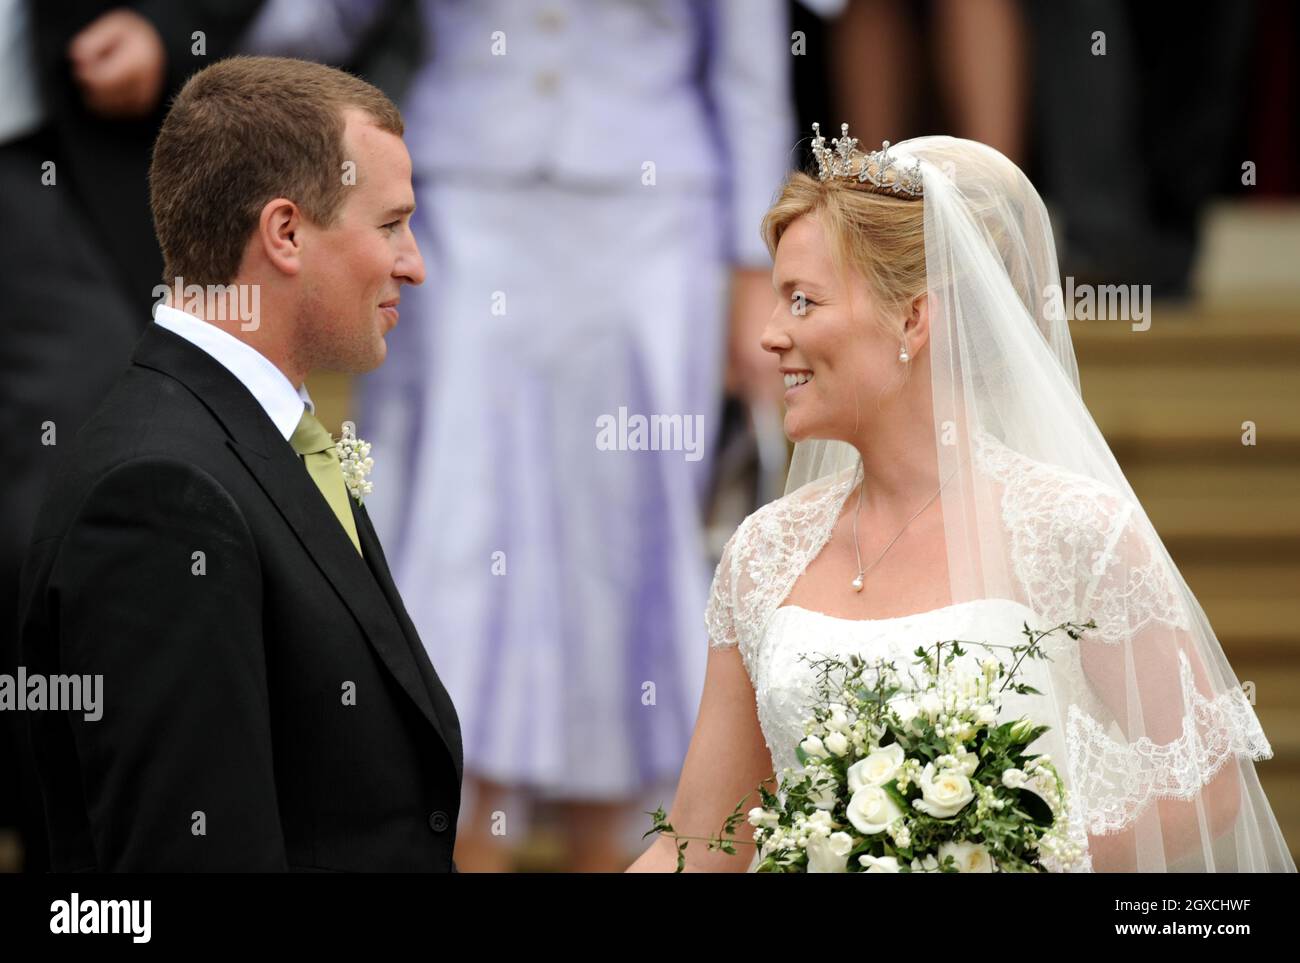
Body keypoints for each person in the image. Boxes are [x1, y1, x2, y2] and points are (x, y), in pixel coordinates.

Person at [629, 129, 1296, 873]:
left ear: (912, 318)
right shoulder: (764, 552)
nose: (770, 335)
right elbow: (699, 843)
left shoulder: (1072, 530)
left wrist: (976, 854)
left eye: (803, 301)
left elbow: (1203, 790)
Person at [16, 55, 462, 871]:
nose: (415, 263)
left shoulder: (252, 436)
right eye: (391, 224)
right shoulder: (160, 495)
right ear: (286, 234)